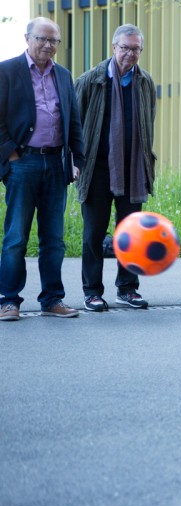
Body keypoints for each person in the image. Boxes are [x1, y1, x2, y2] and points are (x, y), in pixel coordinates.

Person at [0, 17, 85, 322]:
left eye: (54, 41)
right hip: (23, 162)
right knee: (15, 238)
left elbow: (73, 120)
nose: (48, 46)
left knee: (54, 239)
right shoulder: (7, 71)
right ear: (27, 38)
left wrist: (77, 159)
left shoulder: (62, 75)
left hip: (56, 163)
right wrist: (10, 156)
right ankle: (8, 301)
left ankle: (52, 299)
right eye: (42, 39)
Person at [75, 24, 157, 311]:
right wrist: (75, 162)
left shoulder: (146, 82)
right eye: (125, 48)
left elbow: (149, 126)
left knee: (131, 232)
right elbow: (75, 125)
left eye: (136, 49)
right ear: (113, 48)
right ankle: (92, 291)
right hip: (96, 168)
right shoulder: (90, 80)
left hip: (133, 169)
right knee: (94, 233)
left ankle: (127, 288)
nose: (130, 54)